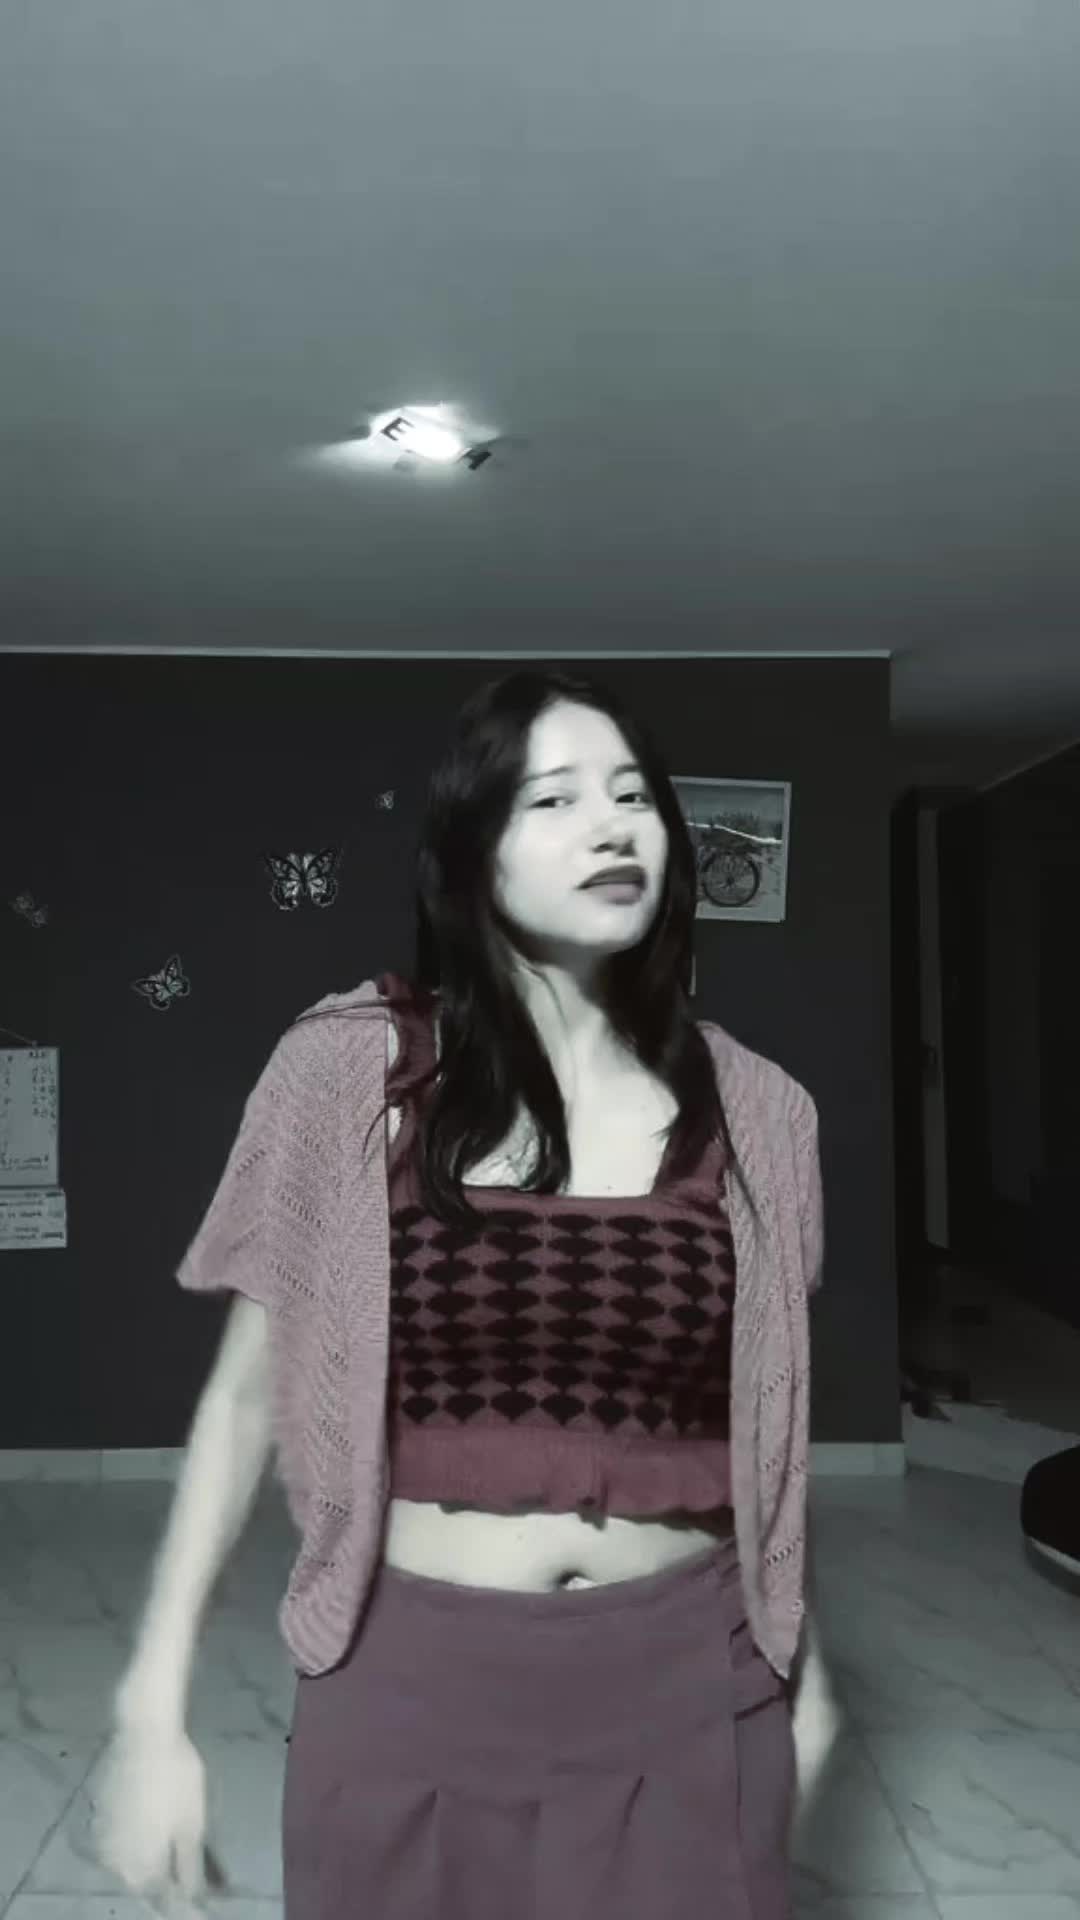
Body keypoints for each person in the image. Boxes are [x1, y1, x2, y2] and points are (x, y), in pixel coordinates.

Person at [92, 668, 839, 1918]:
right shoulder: (347, 1074)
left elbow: (766, 1434)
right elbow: (242, 1403)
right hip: (411, 1687)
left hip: (690, 1685)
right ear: (470, 855)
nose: (612, 827)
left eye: (634, 797)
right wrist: (151, 1707)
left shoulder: (765, 1113)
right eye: (554, 799)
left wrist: (807, 1676)